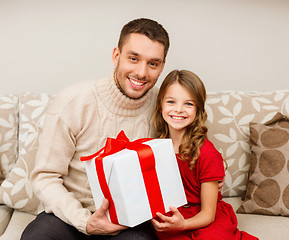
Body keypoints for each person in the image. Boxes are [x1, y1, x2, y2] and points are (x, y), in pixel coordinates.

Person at [21, 18, 169, 240]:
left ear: (162, 66)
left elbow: (186, 153)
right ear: (116, 56)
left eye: (153, 63)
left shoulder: (166, 107)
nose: (141, 72)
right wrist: (84, 221)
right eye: (133, 58)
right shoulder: (73, 102)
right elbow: (45, 176)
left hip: (130, 221)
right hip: (69, 216)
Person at [151, 70, 258, 240]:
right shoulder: (155, 149)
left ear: (198, 109)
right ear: (161, 105)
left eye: (188, 104)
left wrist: (184, 224)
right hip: (177, 215)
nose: (178, 110)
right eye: (171, 101)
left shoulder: (207, 153)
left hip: (206, 217)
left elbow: (208, 213)